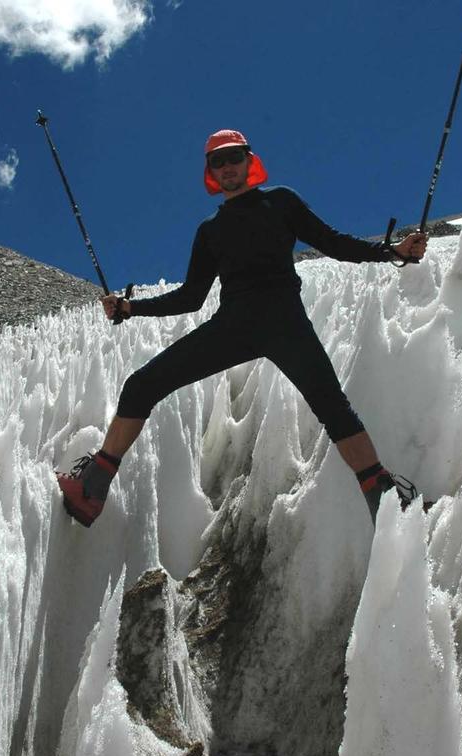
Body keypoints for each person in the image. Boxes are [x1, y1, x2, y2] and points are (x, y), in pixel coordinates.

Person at [57, 129, 427, 528]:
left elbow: (332, 243)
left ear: (250, 160)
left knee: (333, 407)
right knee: (141, 385)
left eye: (234, 157)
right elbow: (191, 298)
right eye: (218, 161)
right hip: (236, 325)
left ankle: (385, 499)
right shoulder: (209, 231)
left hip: (283, 320)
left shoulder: (281, 201)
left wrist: (392, 252)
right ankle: (93, 487)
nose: (228, 166)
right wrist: (131, 308)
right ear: (210, 172)